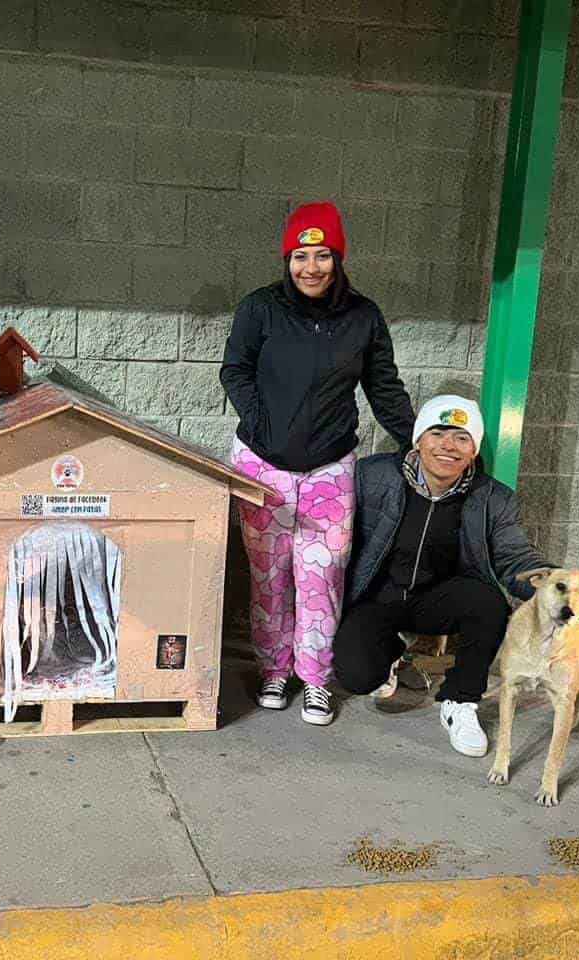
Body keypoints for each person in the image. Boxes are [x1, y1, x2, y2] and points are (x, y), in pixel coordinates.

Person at [220, 201, 414, 726]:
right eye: (301, 256)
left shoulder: (363, 317)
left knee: (322, 574)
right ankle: (274, 670)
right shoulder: (260, 309)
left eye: (322, 255)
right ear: (287, 260)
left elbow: (383, 387)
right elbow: (234, 371)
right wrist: (261, 425)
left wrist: (413, 441)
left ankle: (315, 678)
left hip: (330, 468)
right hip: (262, 466)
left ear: (338, 259)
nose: (311, 267)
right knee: (269, 576)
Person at [333, 395, 551, 757]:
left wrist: (559, 585)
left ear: (474, 450)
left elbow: (516, 558)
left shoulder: (494, 498)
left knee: (489, 604)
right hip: (377, 597)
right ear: (418, 440)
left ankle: (460, 701)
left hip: (439, 599)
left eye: (462, 438)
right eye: (438, 433)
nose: (448, 445)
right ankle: (392, 654)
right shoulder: (372, 476)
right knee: (357, 677)